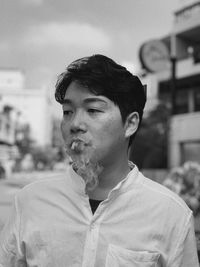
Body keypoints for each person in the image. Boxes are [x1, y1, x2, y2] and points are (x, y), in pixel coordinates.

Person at [0, 54, 199, 266]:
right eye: (68, 111)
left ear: (130, 124)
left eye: (93, 110)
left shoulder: (170, 214)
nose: (74, 123)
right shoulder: (30, 202)